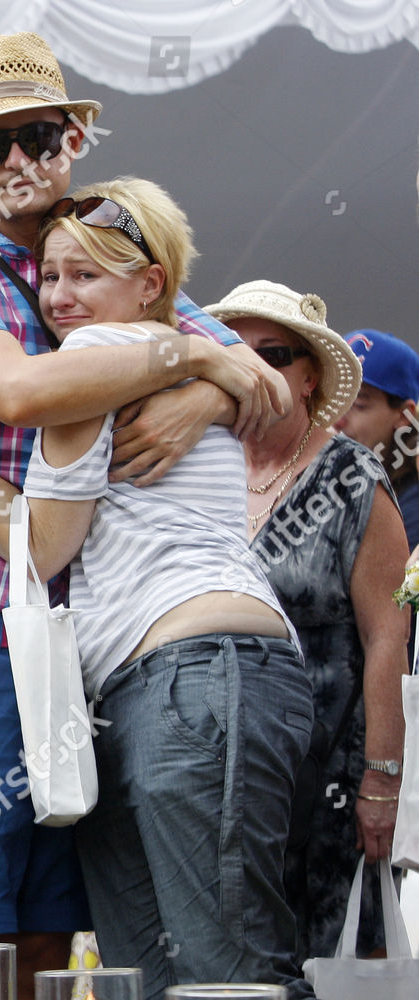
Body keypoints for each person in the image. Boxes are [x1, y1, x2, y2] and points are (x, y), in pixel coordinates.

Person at [0, 31, 289, 992]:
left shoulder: (105, 249)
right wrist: (191, 359)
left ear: (73, 136)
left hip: (92, 641)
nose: (16, 161)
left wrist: (207, 388)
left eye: (36, 134)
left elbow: (277, 392)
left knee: (53, 937)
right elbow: (20, 392)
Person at [206, 282, 409, 964]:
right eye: (239, 350)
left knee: (328, 958)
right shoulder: (198, 470)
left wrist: (381, 781)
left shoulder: (353, 475)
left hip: (327, 780)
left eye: (277, 353)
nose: (256, 367)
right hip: (220, 772)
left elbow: (388, 637)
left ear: (310, 375)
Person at [337, 329, 419, 547]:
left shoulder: (411, 506)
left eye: (358, 404)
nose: (337, 420)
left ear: (404, 415)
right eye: (333, 398)